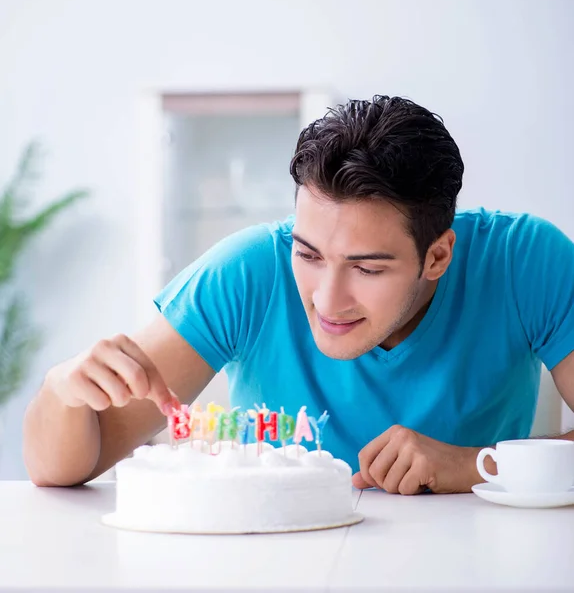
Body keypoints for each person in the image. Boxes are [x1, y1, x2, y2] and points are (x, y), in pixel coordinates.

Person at [23, 95, 574, 494]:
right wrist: (63, 392)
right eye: (308, 254)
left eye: (367, 267)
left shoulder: (525, 261)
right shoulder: (248, 271)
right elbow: (68, 466)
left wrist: (475, 466)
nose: (327, 301)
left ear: (438, 256)